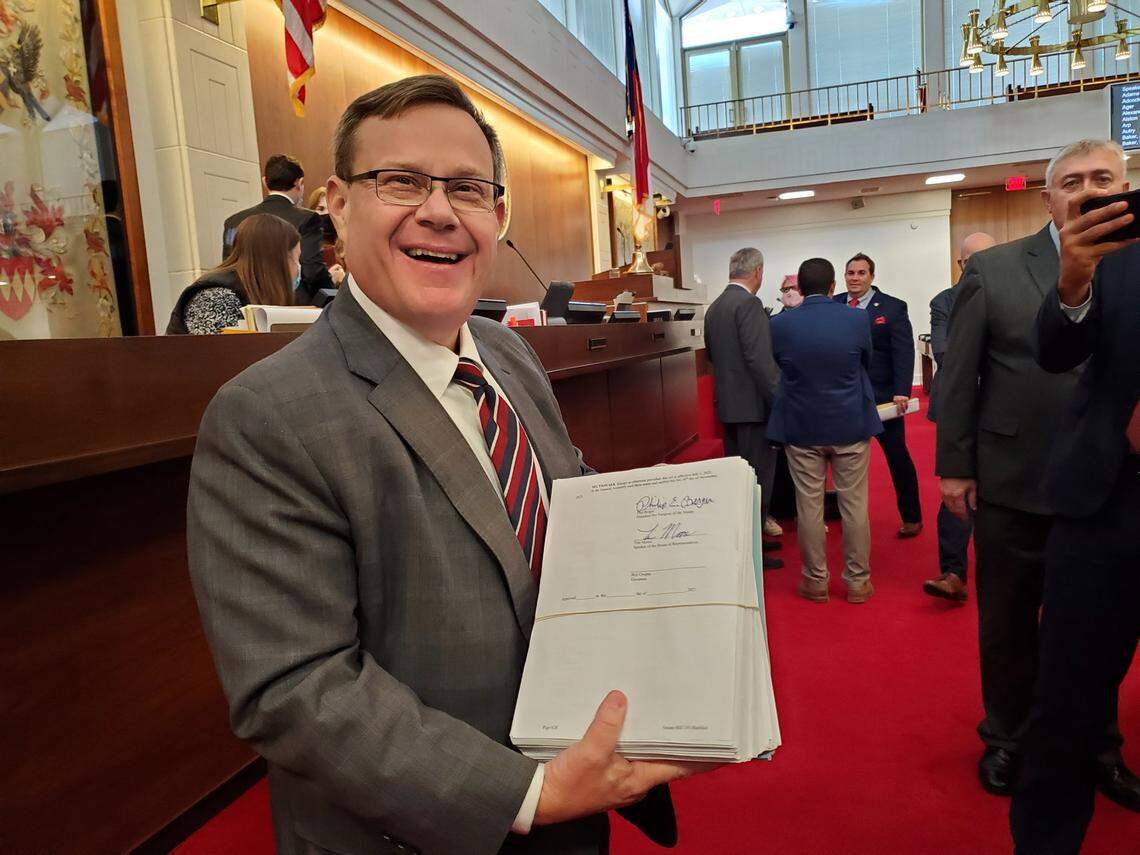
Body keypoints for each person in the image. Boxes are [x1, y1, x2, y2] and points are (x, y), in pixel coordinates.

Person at [187, 74, 693, 855]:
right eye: (400, 181)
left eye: (466, 188)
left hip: (576, 805)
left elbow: (577, 516)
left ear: (495, 216)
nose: (438, 210)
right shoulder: (266, 417)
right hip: (420, 833)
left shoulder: (510, 355)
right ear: (338, 203)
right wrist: (529, 792)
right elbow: (296, 689)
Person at [936, 139, 1138, 805]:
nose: (1086, 189)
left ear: (1123, 183)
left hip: (1110, 484)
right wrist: (954, 467)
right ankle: (1008, 738)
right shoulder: (993, 269)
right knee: (1010, 621)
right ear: (1048, 197)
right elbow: (960, 374)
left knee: (1098, 627)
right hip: (1015, 476)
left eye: (1102, 177)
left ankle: (1097, 744)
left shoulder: (1136, 263)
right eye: (1071, 180)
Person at [1009, 188, 1140, 852]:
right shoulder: (1117, 250)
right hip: (1108, 502)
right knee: (1064, 707)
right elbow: (1055, 351)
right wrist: (1072, 282)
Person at [768, 258, 883, 604]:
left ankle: (815, 580)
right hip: (849, 422)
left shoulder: (780, 325)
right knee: (855, 505)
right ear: (834, 286)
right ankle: (858, 582)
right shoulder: (856, 317)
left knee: (809, 507)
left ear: (799, 289)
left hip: (803, 426)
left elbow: (781, 367)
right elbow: (867, 361)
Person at [923, 232, 996, 602]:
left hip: (1006, 409)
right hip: (960, 410)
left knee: (1003, 489)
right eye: (971, 263)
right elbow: (947, 355)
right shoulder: (945, 302)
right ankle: (953, 572)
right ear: (960, 265)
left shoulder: (1013, 291)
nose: (979, 268)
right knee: (954, 492)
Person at [704, 247, 784, 565]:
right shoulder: (748, 304)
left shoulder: (715, 306)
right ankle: (752, 550)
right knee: (757, 480)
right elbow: (760, 360)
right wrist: (779, 399)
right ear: (757, 272)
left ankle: (745, 545)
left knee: (737, 479)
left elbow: (712, 355)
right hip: (753, 407)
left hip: (728, 405)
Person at [834, 253, 922, 537]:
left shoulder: (893, 308)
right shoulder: (834, 305)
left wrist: (901, 391)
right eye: (850, 273)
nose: (855, 278)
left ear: (872, 276)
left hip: (883, 398)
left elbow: (903, 351)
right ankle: (842, 516)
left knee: (897, 457)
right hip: (845, 398)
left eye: (861, 273)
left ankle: (912, 517)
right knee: (840, 461)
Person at [222, 154, 344, 303]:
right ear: (300, 183)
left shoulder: (233, 221)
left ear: (265, 181)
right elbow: (312, 270)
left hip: (245, 307)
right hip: (292, 307)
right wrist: (331, 291)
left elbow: (228, 270)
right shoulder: (307, 219)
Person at [166, 213, 298, 335]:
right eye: (297, 259)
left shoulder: (251, 290)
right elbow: (220, 354)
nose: (298, 268)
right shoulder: (215, 298)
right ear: (278, 262)